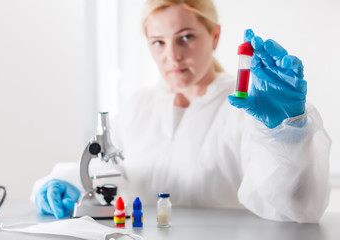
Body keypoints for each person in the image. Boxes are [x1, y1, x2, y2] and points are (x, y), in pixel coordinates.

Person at [32, 0, 331, 223]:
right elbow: (112, 169)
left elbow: (297, 209)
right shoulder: (139, 107)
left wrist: (285, 132)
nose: (172, 55)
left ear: (214, 36)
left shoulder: (248, 106)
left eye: (186, 37)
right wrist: (67, 182)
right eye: (158, 42)